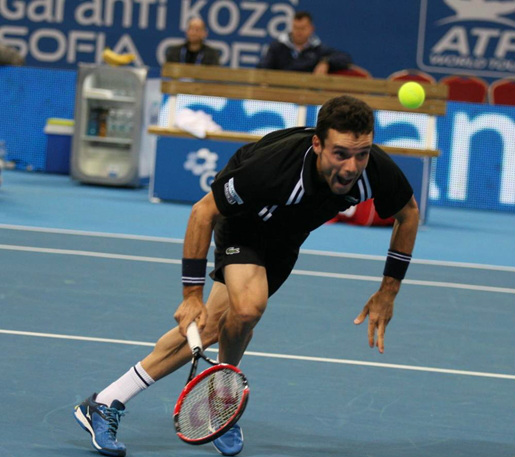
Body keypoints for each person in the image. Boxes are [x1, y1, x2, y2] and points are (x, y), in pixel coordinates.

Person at [73, 95, 419, 457]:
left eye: (361, 153)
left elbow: (407, 214)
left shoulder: (374, 170)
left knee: (213, 327)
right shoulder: (274, 169)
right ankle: (219, 399)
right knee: (249, 307)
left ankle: (109, 401)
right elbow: (202, 212)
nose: (352, 167)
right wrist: (191, 295)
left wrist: (388, 292)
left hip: (285, 241)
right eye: (341, 154)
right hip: (244, 224)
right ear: (317, 144)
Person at [257, 11, 352, 74]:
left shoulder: (319, 49)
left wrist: (326, 62)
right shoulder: (277, 47)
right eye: (296, 28)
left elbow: (345, 59)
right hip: (280, 95)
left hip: (308, 96)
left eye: (302, 28)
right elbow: (262, 68)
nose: (299, 32)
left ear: (311, 29)